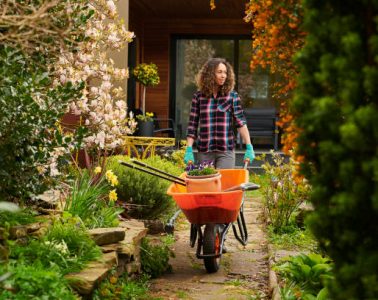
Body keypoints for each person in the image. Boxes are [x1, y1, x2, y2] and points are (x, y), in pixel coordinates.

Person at [184, 57, 255, 168]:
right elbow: (192, 125)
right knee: (207, 184)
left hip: (226, 151)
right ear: (210, 74)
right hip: (205, 151)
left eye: (225, 72)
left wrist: (249, 146)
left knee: (225, 184)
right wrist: (188, 149)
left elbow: (240, 122)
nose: (223, 76)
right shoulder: (198, 97)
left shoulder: (232, 96)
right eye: (219, 72)